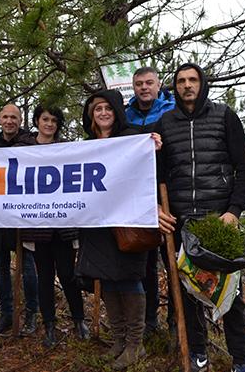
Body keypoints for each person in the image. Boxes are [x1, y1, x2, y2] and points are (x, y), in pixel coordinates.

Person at [155, 63, 245, 372]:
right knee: (188, 292)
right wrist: (159, 209)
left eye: (193, 80)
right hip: (182, 222)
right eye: (181, 81)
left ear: (202, 84)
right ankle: (198, 352)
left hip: (219, 221)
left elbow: (244, 168)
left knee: (232, 294)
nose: (187, 85)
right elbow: (154, 173)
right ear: (175, 86)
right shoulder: (165, 123)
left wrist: (233, 211)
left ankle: (240, 360)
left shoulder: (224, 116)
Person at [75, 89, 162, 371]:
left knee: (128, 278)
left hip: (126, 222)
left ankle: (136, 344)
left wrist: (153, 144)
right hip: (97, 223)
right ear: (91, 115)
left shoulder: (132, 138)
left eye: (108, 109)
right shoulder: (85, 145)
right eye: (97, 109)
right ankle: (119, 340)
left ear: (116, 112)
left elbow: (150, 169)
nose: (102, 113)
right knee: (107, 279)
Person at [19, 104, 89, 347]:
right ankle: (49, 325)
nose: (49, 124)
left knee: (68, 275)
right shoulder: (22, 148)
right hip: (37, 226)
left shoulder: (67, 148)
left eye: (54, 121)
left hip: (64, 224)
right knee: (44, 278)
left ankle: (79, 319)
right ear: (37, 120)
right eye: (45, 119)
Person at [124, 67, 175, 337]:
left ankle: (177, 323)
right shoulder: (126, 115)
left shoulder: (171, 111)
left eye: (149, 83)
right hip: (138, 195)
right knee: (145, 263)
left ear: (158, 85)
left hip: (168, 192)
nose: (144, 88)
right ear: (133, 87)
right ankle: (148, 321)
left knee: (172, 261)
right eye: (139, 84)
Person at [0, 104, 39, 337]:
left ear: (20, 119)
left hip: (23, 216)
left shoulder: (29, 143)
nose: (9, 121)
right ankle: (6, 315)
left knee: (27, 267)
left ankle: (31, 314)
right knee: (1, 269)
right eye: (5, 117)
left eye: (13, 117)